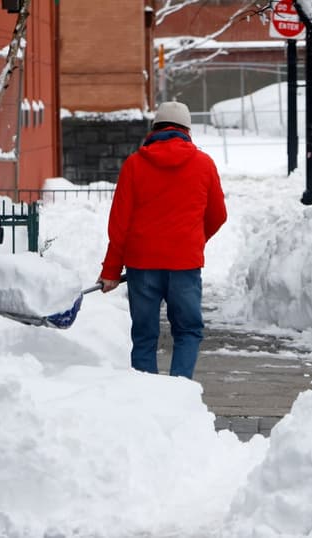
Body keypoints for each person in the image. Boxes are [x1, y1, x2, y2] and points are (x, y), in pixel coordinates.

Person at [98, 101, 227, 379]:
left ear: (154, 129)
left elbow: (119, 224)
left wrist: (111, 271)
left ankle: (147, 399)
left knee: (144, 335)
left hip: (141, 265)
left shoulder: (134, 165)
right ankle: (180, 391)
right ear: (187, 131)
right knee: (188, 331)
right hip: (184, 265)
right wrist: (192, 240)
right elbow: (218, 215)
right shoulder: (204, 164)